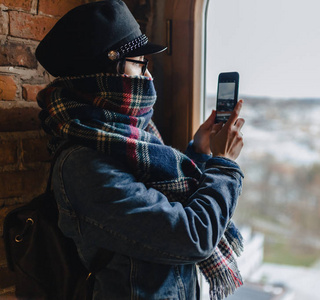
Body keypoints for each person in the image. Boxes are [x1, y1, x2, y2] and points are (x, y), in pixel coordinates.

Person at [35, 1, 245, 299]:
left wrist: (199, 152)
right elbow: (192, 237)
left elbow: (162, 203)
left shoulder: (123, 134)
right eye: (139, 63)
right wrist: (223, 164)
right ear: (106, 73)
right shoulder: (83, 165)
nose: (149, 77)